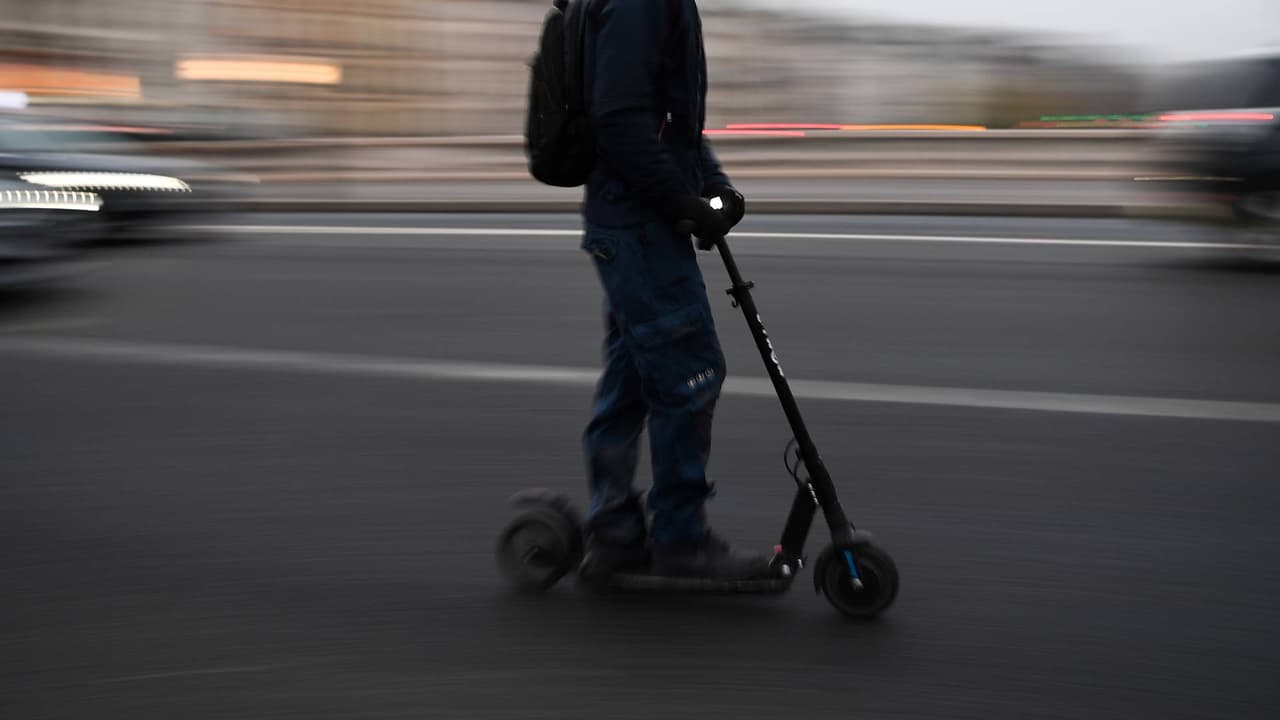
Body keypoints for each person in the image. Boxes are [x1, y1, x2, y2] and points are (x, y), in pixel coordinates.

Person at [576, 0, 770, 581]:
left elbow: (669, 127)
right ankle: (680, 539)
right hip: (639, 227)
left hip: (634, 220)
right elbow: (618, 120)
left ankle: (614, 534)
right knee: (691, 374)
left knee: (633, 377)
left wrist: (713, 186)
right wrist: (681, 202)